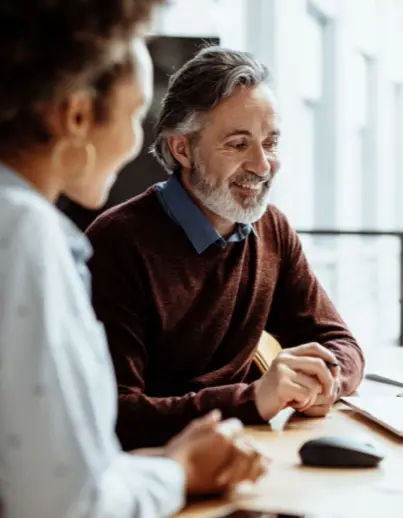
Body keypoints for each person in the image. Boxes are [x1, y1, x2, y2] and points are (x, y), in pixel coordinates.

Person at [0, 5, 266, 518]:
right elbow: (68, 505)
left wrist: (163, 461)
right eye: (135, 113)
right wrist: (180, 471)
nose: (138, 142)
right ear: (77, 117)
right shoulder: (25, 235)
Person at [86, 46, 365, 451]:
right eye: (238, 145)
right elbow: (116, 415)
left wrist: (325, 380)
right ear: (182, 149)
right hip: (160, 473)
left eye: (270, 143)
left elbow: (341, 342)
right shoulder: (116, 244)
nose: (262, 165)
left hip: (246, 451)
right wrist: (252, 400)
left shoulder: (271, 228)